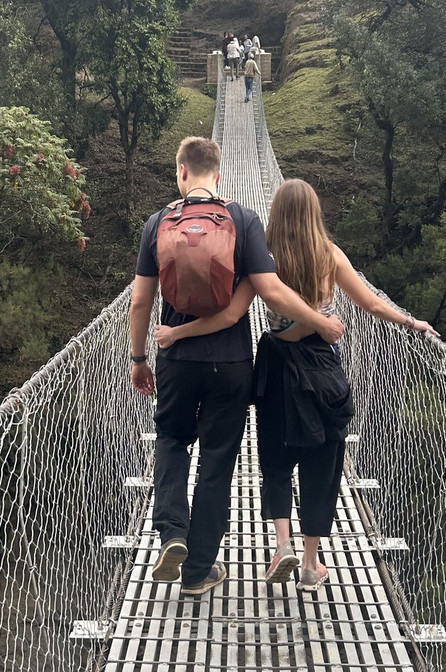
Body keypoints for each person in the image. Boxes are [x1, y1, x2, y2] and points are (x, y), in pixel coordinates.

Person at [153, 178, 438, 592]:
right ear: (314, 213)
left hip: (276, 367)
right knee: (324, 462)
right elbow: (371, 304)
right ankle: (310, 563)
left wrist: (177, 335)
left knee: (276, 457)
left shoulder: (262, 260)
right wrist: (411, 323)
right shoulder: (330, 255)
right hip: (321, 365)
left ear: (276, 215)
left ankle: (281, 545)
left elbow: (231, 316)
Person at [129, 141, 345, 597]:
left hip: (175, 359)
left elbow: (139, 300)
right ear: (220, 176)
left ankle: (172, 534)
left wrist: (138, 358)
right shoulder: (243, 219)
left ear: (182, 172)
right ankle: (199, 571)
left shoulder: (157, 223)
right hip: (230, 363)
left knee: (170, 439)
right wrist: (321, 322)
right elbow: (271, 290)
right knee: (217, 458)